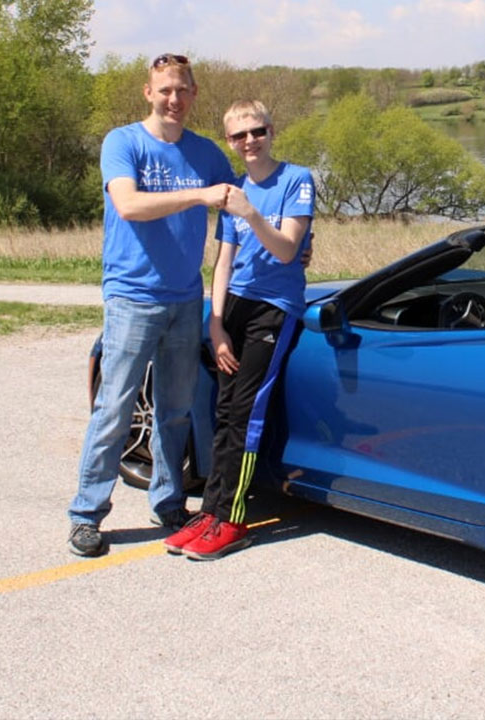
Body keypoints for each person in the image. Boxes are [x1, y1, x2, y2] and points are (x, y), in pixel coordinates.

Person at [67, 53, 235, 557]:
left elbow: (240, 204)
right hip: (132, 298)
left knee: (176, 412)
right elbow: (129, 204)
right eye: (165, 90)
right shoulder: (123, 142)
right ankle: (86, 515)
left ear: (194, 93)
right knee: (114, 410)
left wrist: (294, 237)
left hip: (186, 300)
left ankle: (167, 502)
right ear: (148, 92)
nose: (174, 99)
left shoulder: (206, 153)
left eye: (182, 90)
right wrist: (198, 195)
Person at [164, 100, 314, 560]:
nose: (250, 142)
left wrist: (251, 213)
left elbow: (288, 250)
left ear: (272, 130)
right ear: (229, 141)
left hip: (275, 307)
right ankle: (210, 512)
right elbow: (224, 261)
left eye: (257, 131)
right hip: (236, 308)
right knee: (225, 410)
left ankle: (233, 518)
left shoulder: (296, 180)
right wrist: (216, 323)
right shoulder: (232, 190)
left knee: (247, 414)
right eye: (239, 136)